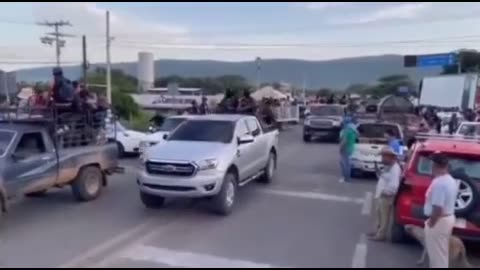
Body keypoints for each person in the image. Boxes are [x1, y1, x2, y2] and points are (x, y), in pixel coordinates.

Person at [424, 152, 458, 268]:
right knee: (441, 253)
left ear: (434, 165)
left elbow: (438, 207)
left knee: (437, 256)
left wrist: (432, 222)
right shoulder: (450, 180)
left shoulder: (439, 183)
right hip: (447, 218)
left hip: (439, 220)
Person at [368, 147, 401, 241]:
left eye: (383, 157)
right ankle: (378, 231)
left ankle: (381, 235)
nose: (382, 159)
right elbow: (385, 177)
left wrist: (385, 193)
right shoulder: (389, 167)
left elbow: (394, 186)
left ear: (389, 157)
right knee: (379, 213)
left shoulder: (395, 169)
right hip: (382, 194)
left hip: (387, 196)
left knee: (384, 216)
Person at [339, 117, 358, 183]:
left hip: (345, 148)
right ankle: (347, 178)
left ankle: (345, 178)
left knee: (344, 164)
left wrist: (340, 148)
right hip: (351, 148)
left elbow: (344, 141)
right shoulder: (353, 130)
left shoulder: (346, 130)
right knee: (347, 164)